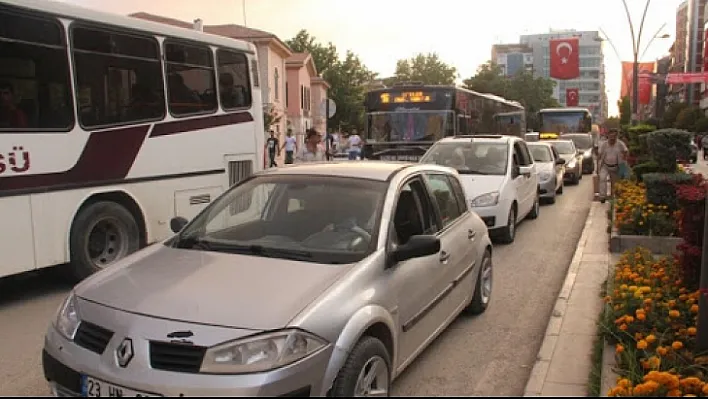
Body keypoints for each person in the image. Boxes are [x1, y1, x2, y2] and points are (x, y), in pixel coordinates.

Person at [597, 129, 628, 203]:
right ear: (608, 136)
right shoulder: (604, 144)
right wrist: (597, 167)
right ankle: (602, 197)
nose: (612, 139)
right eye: (610, 136)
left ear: (616, 137)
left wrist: (623, 162)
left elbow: (626, 151)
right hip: (605, 165)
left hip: (616, 166)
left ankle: (613, 197)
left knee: (615, 183)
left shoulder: (620, 144)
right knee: (602, 178)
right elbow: (600, 155)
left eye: (614, 137)